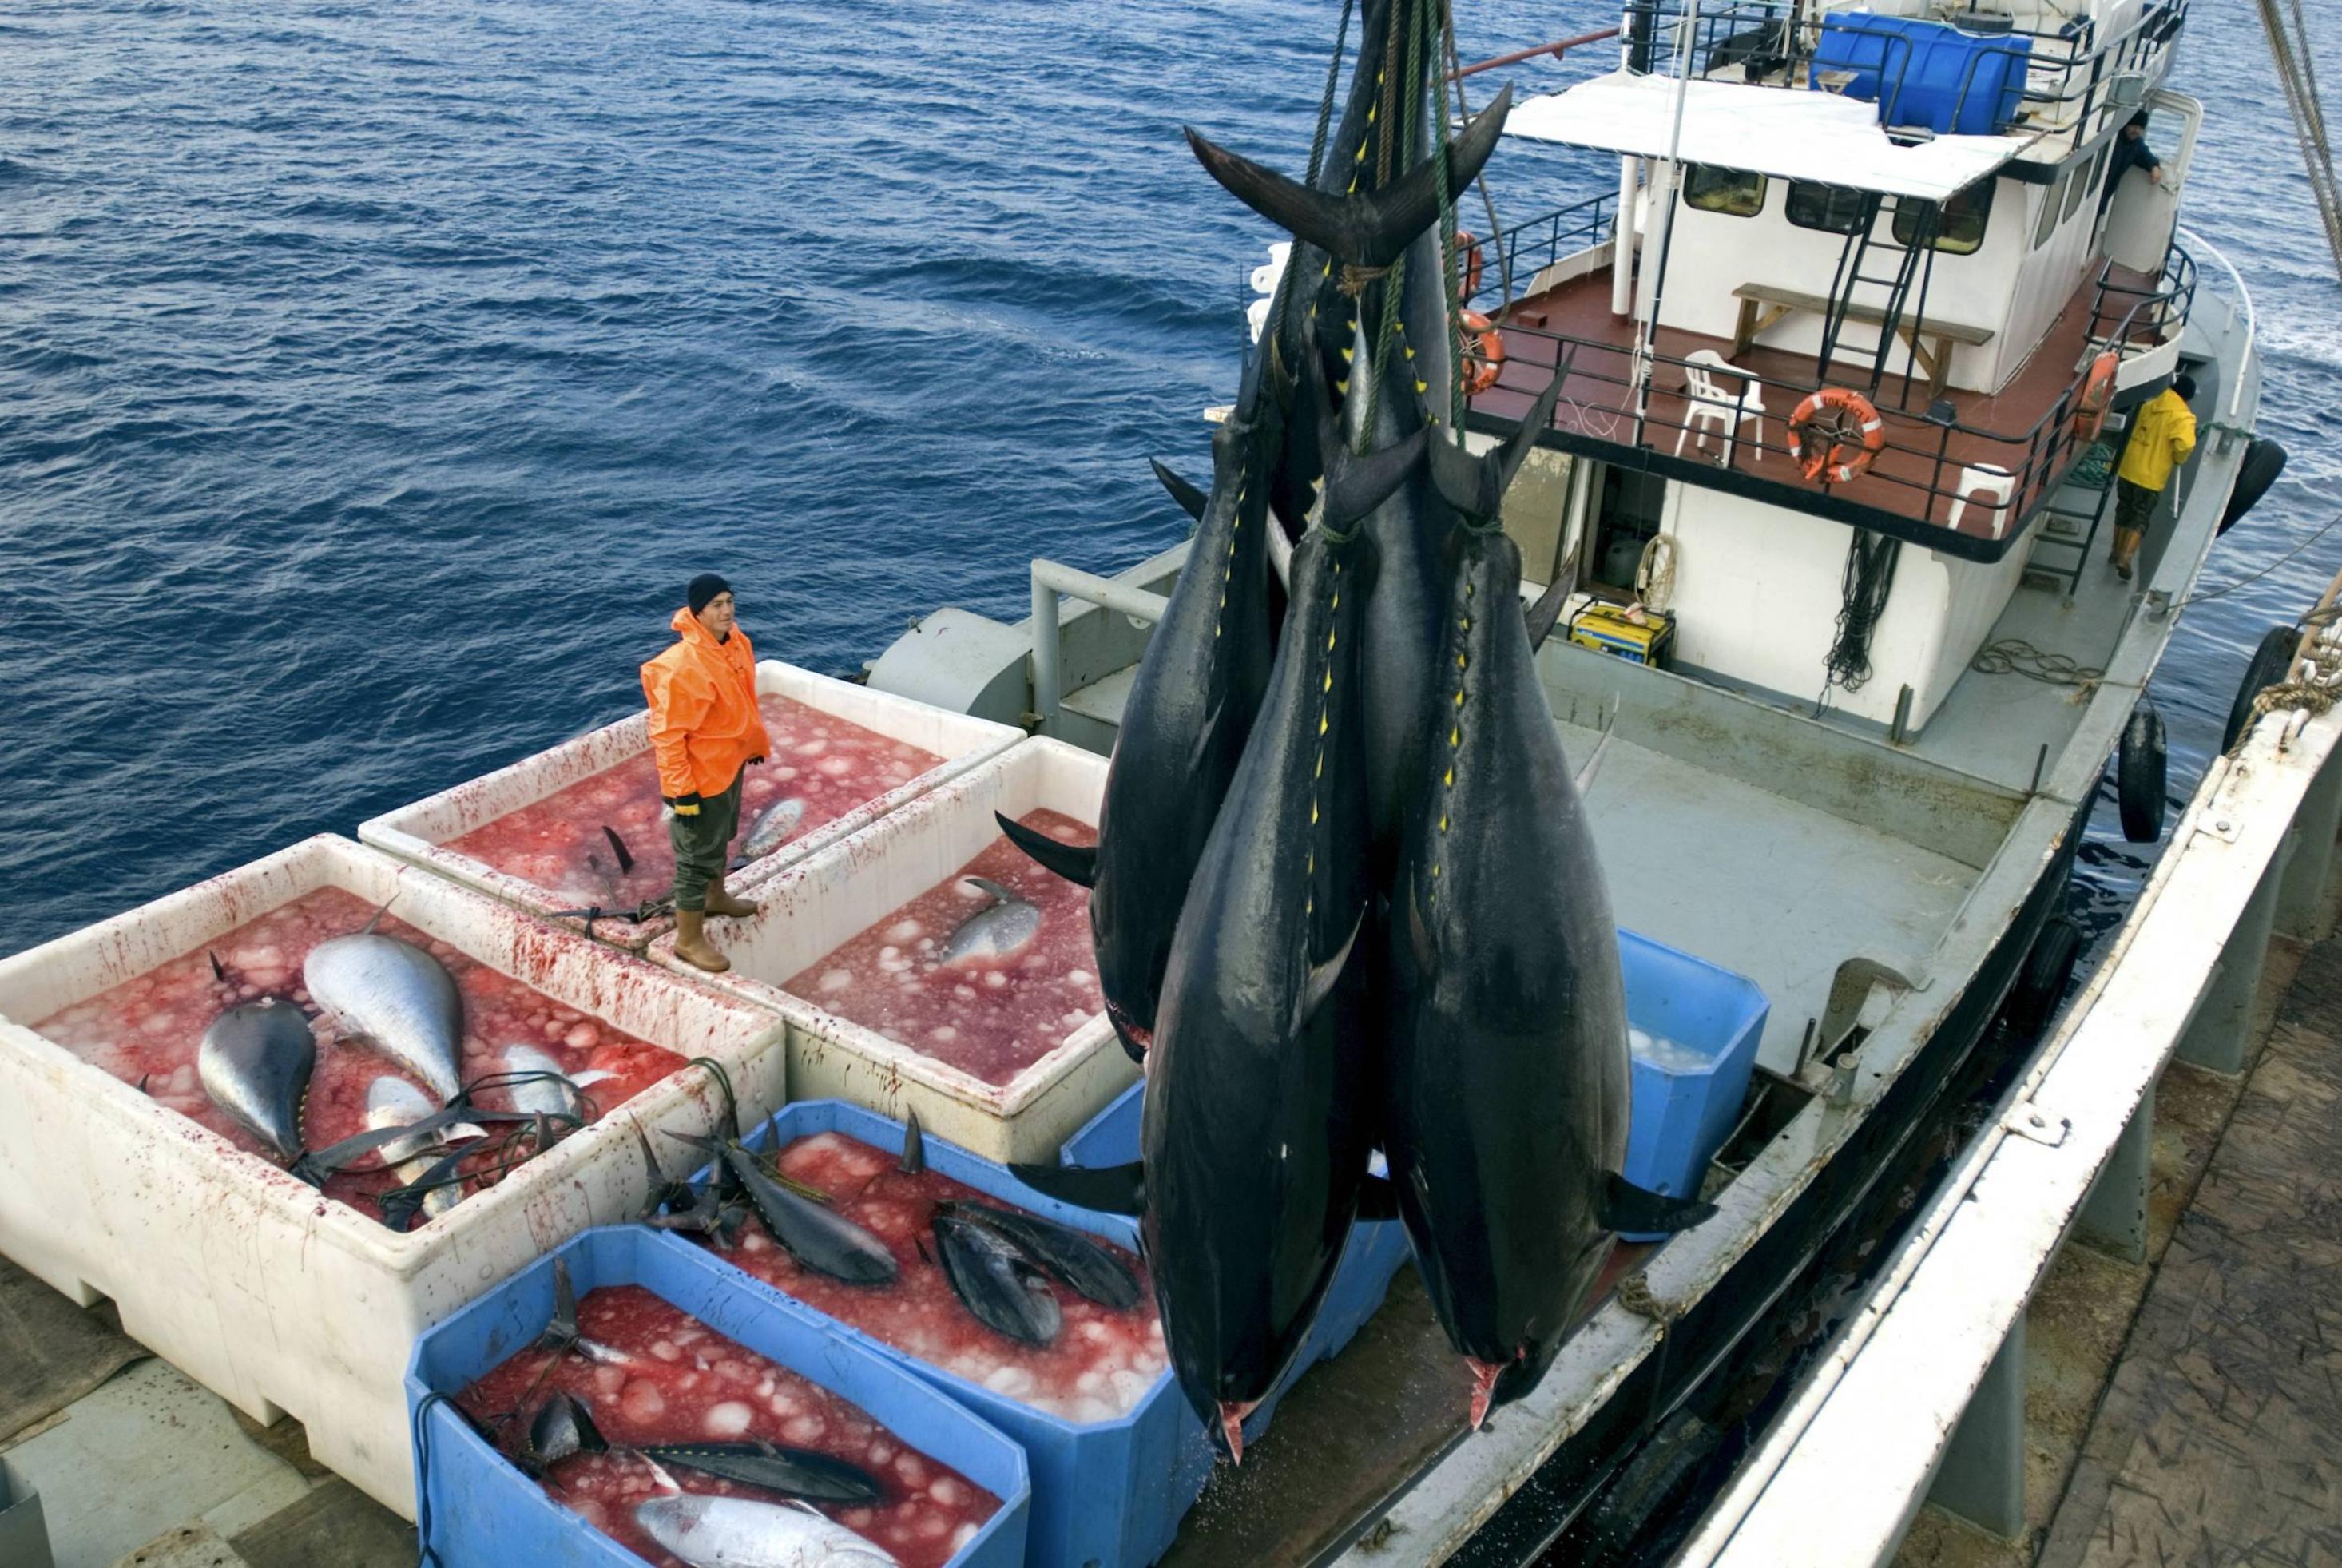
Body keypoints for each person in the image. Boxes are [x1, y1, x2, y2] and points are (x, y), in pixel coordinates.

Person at [641, 573, 771, 972]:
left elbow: (739, 702)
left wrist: (748, 747)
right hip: (698, 781)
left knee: (721, 837)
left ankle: (717, 897)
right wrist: (681, 793)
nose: (727, 610)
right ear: (698, 612)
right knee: (695, 859)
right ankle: (688, 941)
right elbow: (667, 735)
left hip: (727, 766)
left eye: (730, 601)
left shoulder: (735, 643)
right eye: (717, 605)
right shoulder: (684, 666)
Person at [2109, 373, 2197, 581]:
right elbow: (2185, 445)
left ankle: (2114, 552)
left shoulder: (2151, 404)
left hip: (2128, 468)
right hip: (2150, 476)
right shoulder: (2183, 417)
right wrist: (2179, 458)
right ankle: (2125, 558)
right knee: (2140, 517)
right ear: (2187, 397)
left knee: (2123, 508)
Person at [2098, 112, 2164, 219]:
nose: (2137, 131)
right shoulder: (2113, 138)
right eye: (2134, 126)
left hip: (2105, 195)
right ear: (2126, 124)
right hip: (2096, 189)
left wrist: (2154, 166)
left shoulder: (2136, 144)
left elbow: (2145, 155)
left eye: (2140, 128)